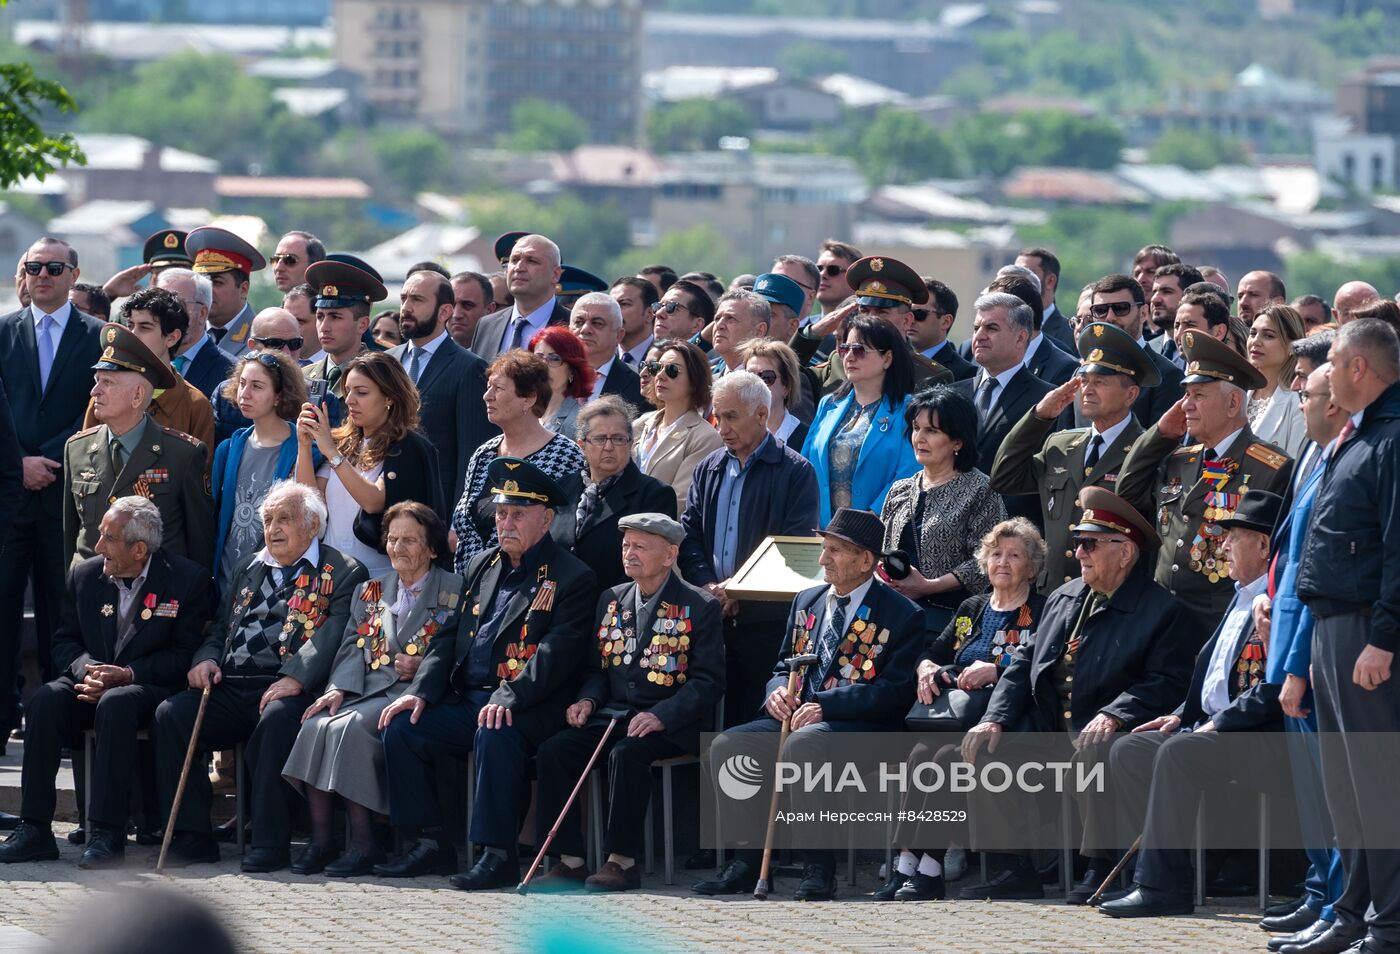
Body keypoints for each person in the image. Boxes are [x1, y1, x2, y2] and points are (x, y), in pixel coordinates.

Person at [957, 488, 1196, 901]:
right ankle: (1010, 867)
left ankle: (1098, 866)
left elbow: (1167, 682)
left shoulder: (1162, 611)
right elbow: (1022, 664)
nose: (1079, 553)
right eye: (1077, 543)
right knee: (986, 749)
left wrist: (1117, 713)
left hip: (1109, 732)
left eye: (1089, 544)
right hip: (1051, 729)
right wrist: (993, 718)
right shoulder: (1065, 598)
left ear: (1124, 553)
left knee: (1094, 747)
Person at [375, 459, 597, 885]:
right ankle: (430, 843)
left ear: (546, 518)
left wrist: (507, 697)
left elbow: (554, 656)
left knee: (496, 730)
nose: (505, 523)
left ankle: (498, 854)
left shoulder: (572, 576)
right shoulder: (482, 564)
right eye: (500, 513)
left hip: (533, 703)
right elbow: (448, 636)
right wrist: (420, 691)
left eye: (517, 514)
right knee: (403, 724)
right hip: (471, 696)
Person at [693, 508, 922, 900]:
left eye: (834, 551)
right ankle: (746, 862)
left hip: (863, 728)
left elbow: (894, 691)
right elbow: (784, 663)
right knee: (730, 745)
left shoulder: (902, 614)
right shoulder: (807, 600)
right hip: (799, 718)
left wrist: (826, 706)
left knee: (805, 746)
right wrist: (778, 691)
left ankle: (819, 866)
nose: (822, 560)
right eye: (823, 548)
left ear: (866, 560)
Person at [151, 481, 367, 870]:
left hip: (290, 688)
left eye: (284, 519)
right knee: (171, 715)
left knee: (277, 720)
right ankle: (191, 836)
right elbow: (220, 627)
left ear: (313, 525)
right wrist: (205, 658)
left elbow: (333, 633)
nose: (273, 529)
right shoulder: (250, 566)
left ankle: (271, 843)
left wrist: (296, 678)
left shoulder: (343, 571)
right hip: (231, 686)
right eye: (268, 520)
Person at [1100, 490, 1286, 919]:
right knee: (1129, 749)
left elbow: (1275, 687)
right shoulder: (1237, 598)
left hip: (1264, 738)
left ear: (1263, 545)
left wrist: (1215, 724)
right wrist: (1182, 714)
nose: (1221, 547)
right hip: (1213, 730)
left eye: (1232, 537)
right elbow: (1215, 677)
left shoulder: (1276, 603)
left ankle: (1161, 887)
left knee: (1181, 752)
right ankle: (1155, 873)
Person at [0, 498, 210, 868]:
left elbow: (182, 656)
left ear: (139, 548)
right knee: (45, 700)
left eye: (108, 539)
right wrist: (91, 669)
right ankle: (34, 829)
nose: (98, 548)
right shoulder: (85, 575)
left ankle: (106, 834)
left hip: (149, 688)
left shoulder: (186, 579)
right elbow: (64, 642)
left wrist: (127, 675)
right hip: (92, 679)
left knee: (117, 702)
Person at [530, 513, 724, 892]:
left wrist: (661, 715)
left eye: (639, 546)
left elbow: (708, 681)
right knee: (555, 750)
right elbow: (597, 669)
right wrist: (586, 700)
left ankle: (622, 861)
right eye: (625, 546)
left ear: (669, 556)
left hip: (672, 722)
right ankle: (569, 860)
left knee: (627, 753)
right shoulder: (612, 599)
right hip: (614, 715)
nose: (629, 554)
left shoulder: (699, 605)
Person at [283, 502, 465, 877]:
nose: (398, 548)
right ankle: (321, 840)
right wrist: (336, 689)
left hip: (415, 694)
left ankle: (365, 843)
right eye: (393, 539)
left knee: (348, 728)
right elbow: (352, 647)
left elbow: (459, 651)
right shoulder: (372, 590)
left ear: (432, 547)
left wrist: (423, 666)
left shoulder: (456, 589)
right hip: (366, 689)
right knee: (317, 722)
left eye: (410, 541)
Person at [1296, 318, 1400, 954]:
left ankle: (1388, 924)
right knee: (1345, 787)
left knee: (1376, 785)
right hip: (1333, 626)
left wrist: (1384, 638)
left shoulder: (1391, 439)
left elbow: (1397, 549)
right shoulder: (1356, 436)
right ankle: (1352, 915)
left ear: (1359, 367)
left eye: (1332, 361)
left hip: (1367, 633)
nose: (1325, 375)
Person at [877, 517, 1047, 901]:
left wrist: (997, 670)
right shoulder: (971, 606)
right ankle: (907, 861)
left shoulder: (1042, 610)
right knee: (921, 754)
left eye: (1015, 555)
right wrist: (926, 667)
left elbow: (1043, 672)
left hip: (1012, 722)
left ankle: (930, 866)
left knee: (947, 759)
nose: (1002, 562)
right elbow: (934, 651)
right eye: (996, 554)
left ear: (1032, 567)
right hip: (958, 717)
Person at [1117, 330, 1295, 635]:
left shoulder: (1270, 468)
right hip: (1161, 621)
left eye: (1198, 395)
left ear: (1232, 403)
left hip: (1218, 625)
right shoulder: (1179, 459)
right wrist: (1159, 435)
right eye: (1185, 394)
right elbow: (1127, 493)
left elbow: (1276, 558)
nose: (1186, 405)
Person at [1256, 362, 1348, 950]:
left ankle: (1342, 905)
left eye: (1307, 389)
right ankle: (1321, 892)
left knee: (1337, 794)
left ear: (1334, 402)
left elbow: (1321, 573)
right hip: (1288, 637)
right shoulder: (1314, 458)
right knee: (1313, 793)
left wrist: (1296, 661)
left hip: (1312, 650)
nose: (1297, 397)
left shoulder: (1348, 456)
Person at [0, 236, 101, 741]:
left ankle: (60, 731)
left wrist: (50, 459)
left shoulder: (99, 336)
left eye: (54, 267)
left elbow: (99, 408)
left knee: (62, 617)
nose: (43, 274)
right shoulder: (3, 331)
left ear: (73, 275)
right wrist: (17, 461)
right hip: (8, 494)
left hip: (67, 498)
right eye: (33, 266)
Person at [679, 371, 820, 725]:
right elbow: (690, 535)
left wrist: (740, 589)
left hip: (765, 622)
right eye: (717, 416)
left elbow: (793, 546)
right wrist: (708, 586)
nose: (721, 427)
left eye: (731, 416)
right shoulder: (707, 469)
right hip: (712, 616)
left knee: (752, 721)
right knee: (708, 722)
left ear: (761, 414)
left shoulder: (796, 471)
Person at [991, 321, 1156, 592]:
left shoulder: (1146, 449)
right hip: (1054, 593)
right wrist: (1039, 417)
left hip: (1115, 594)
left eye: (1100, 382)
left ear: (1131, 394)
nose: (1087, 390)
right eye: (1085, 381)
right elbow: (1005, 477)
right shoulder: (1061, 444)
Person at [63, 323, 212, 570]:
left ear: (137, 395)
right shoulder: (76, 448)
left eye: (107, 383)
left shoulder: (183, 454)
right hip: (91, 594)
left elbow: (199, 544)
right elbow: (71, 538)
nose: (94, 391)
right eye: (96, 380)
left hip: (154, 597)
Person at [296, 351, 441, 581]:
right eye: (348, 391)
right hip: (331, 575)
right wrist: (304, 447)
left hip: (380, 578)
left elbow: (374, 501)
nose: (350, 400)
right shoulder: (342, 442)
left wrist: (331, 452)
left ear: (389, 398)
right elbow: (311, 501)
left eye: (361, 392)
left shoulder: (408, 446)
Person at [880, 386, 1005, 635]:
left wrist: (929, 586)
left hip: (949, 623)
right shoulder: (899, 489)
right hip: (892, 616)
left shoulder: (981, 489)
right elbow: (880, 550)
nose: (919, 438)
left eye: (932, 431)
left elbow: (990, 560)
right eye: (916, 428)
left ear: (957, 441)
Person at [450, 351, 585, 566]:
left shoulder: (563, 454)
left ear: (529, 398)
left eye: (499, 388)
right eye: (488, 387)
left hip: (529, 586)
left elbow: (561, 532)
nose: (487, 396)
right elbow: (464, 529)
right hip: (471, 588)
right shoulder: (483, 454)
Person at [387, 268, 494, 521]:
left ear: (445, 312)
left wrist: (460, 520)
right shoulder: (387, 361)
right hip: (383, 508)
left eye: (417, 300)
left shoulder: (469, 368)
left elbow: (473, 454)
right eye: (404, 299)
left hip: (437, 512)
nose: (406, 307)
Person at [211, 351, 312, 599]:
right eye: (242, 383)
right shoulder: (229, 448)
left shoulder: (302, 449)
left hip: (275, 586)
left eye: (257, 386)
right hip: (225, 581)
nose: (244, 393)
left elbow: (312, 508)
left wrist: (305, 448)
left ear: (279, 396)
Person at [804, 315, 919, 526]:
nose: (849, 357)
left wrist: (869, 520)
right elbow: (806, 466)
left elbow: (910, 472)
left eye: (859, 350)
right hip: (822, 532)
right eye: (844, 349)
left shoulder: (908, 409)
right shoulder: (828, 404)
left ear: (887, 359)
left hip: (878, 533)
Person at [550, 397, 675, 589]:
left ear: (631, 443)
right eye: (600, 439)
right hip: (556, 607)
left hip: (612, 610)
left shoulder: (654, 495)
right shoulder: (560, 489)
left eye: (618, 439)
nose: (609, 447)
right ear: (582, 444)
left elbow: (648, 569)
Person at [81, 288, 215, 462]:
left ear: (172, 338)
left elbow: (198, 478)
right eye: (130, 325)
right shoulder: (103, 395)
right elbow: (85, 465)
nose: (133, 335)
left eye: (145, 327)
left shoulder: (195, 405)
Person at [953, 292, 1054, 521]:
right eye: (976, 327)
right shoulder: (954, 393)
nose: (979, 336)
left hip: (1012, 530)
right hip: (951, 529)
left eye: (992, 328)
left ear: (1020, 338)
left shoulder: (1047, 399)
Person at [792, 257, 952, 396]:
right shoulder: (839, 362)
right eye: (865, 311)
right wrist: (812, 334)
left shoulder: (929, 376)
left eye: (882, 313)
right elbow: (785, 381)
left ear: (907, 321)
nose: (870, 319)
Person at [632, 338, 722, 511]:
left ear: (695, 380)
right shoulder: (639, 424)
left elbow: (678, 503)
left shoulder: (705, 438)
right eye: (656, 368)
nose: (660, 375)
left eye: (672, 370)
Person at [1086, 275, 1185, 428]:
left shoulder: (1166, 375)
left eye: (1120, 308)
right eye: (1100, 310)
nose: (1110, 317)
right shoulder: (1081, 372)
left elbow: (1161, 443)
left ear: (1143, 313)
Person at [302, 255, 387, 418]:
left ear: (362, 324)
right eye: (320, 317)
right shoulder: (303, 376)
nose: (324, 327)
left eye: (335, 317)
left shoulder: (381, 377)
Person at [470, 234, 571, 362]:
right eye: (514, 260)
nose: (519, 268)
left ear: (555, 274)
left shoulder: (573, 327)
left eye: (531, 261)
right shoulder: (486, 325)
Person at [184, 226, 266, 358]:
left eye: (217, 283)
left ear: (243, 289)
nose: (206, 290)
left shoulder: (262, 338)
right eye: (202, 282)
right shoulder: (185, 331)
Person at [157, 267, 233, 404]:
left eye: (177, 304)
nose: (166, 314)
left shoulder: (230, 372)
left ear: (202, 313)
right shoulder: (145, 363)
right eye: (160, 306)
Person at [1246, 303, 1308, 457]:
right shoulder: (1238, 395)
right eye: (1252, 333)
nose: (1256, 341)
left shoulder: (1298, 404)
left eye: (1268, 336)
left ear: (1292, 346)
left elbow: (1293, 467)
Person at [570, 292, 644, 407]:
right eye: (579, 322)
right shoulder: (551, 376)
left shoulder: (639, 383)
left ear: (618, 335)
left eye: (597, 323)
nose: (585, 329)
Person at [742, 338, 809, 452]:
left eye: (767, 377)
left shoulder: (807, 439)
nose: (757, 384)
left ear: (787, 386)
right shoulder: (734, 435)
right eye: (750, 377)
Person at [530, 325, 595, 438]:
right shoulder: (522, 411)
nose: (544, 365)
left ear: (572, 371)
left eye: (554, 358)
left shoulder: (579, 422)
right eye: (538, 357)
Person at [909, 278, 975, 381]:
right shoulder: (891, 361)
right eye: (908, 313)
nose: (911, 320)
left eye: (919, 314)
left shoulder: (964, 373)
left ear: (945, 322)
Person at [1015, 246, 1077, 352]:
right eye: (1015, 273)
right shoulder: (1002, 330)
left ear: (1050, 281)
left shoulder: (1072, 335)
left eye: (1026, 274)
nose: (1016, 281)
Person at [611, 276, 659, 367]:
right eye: (612, 305)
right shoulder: (602, 357)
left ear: (649, 313)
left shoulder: (663, 357)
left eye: (624, 304)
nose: (614, 311)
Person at [448, 271, 497, 350]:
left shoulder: (502, 352)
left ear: (490, 309)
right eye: (451, 305)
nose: (456, 315)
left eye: (467, 305)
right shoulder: (429, 353)